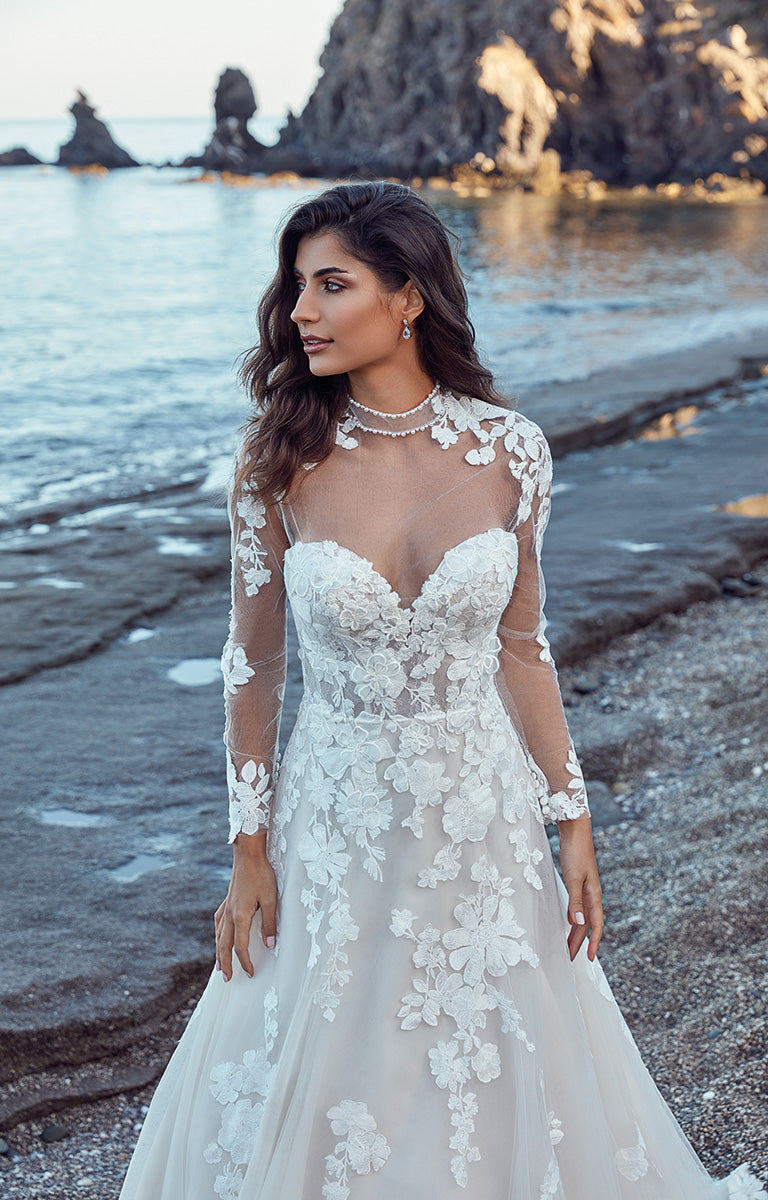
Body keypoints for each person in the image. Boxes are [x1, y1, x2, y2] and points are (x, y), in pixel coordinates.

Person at [119, 182, 765, 1199]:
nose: (302, 312)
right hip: (337, 817)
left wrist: (574, 817)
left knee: (492, 1047)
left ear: (409, 296)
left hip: (480, 811)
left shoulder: (513, 452)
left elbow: (523, 649)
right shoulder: (276, 459)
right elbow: (254, 666)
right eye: (298, 287)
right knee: (333, 1051)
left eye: (333, 284)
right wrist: (248, 848)